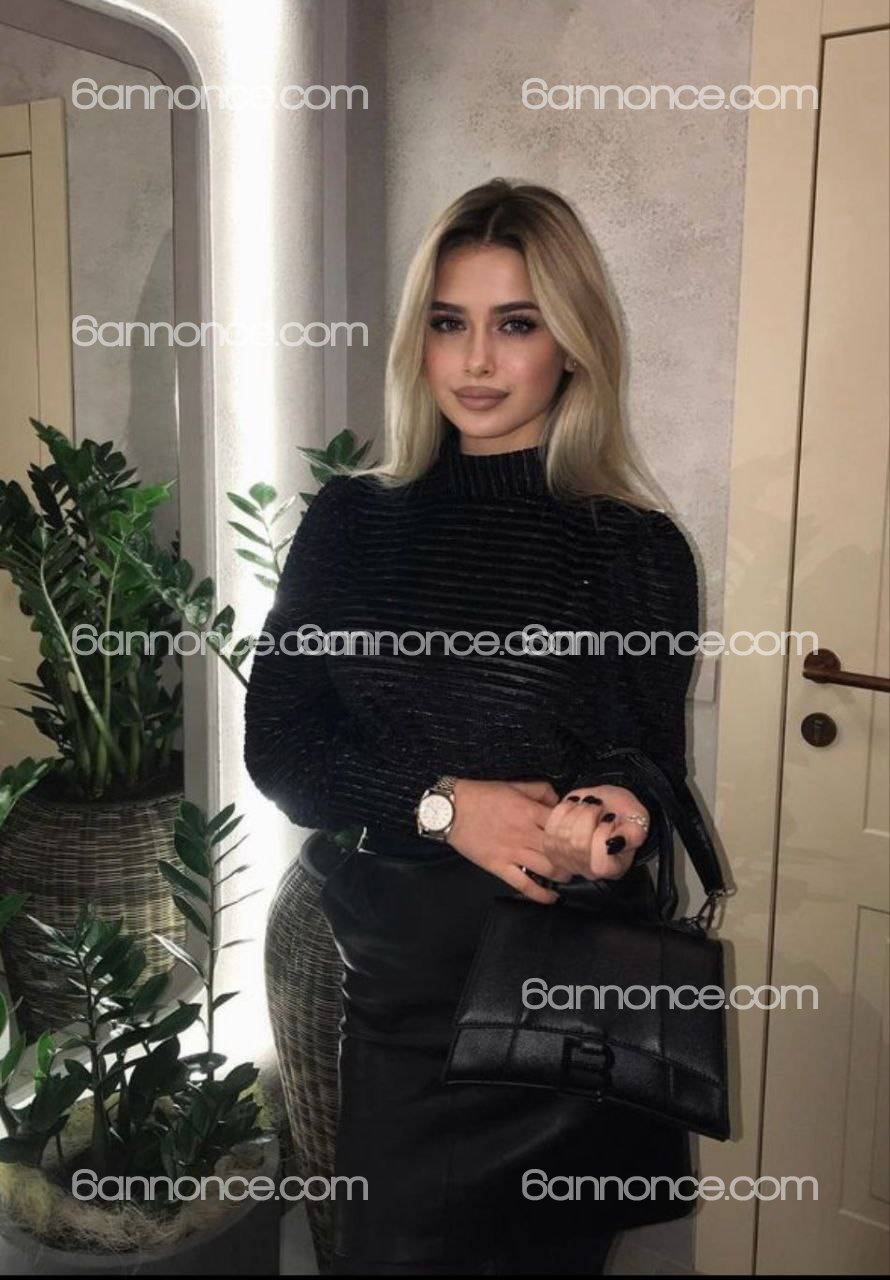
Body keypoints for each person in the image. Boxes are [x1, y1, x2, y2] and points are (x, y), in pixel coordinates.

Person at [244, 179, 702, 1275]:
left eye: (517, 323)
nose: (477, 361)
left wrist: (612, 812)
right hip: (400, 984)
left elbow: (643, 758)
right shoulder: (351, 521)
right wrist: (447, 805)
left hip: (561, 994)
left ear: (573, 342)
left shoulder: (632, 544)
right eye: (449, 323)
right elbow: (283, 746)